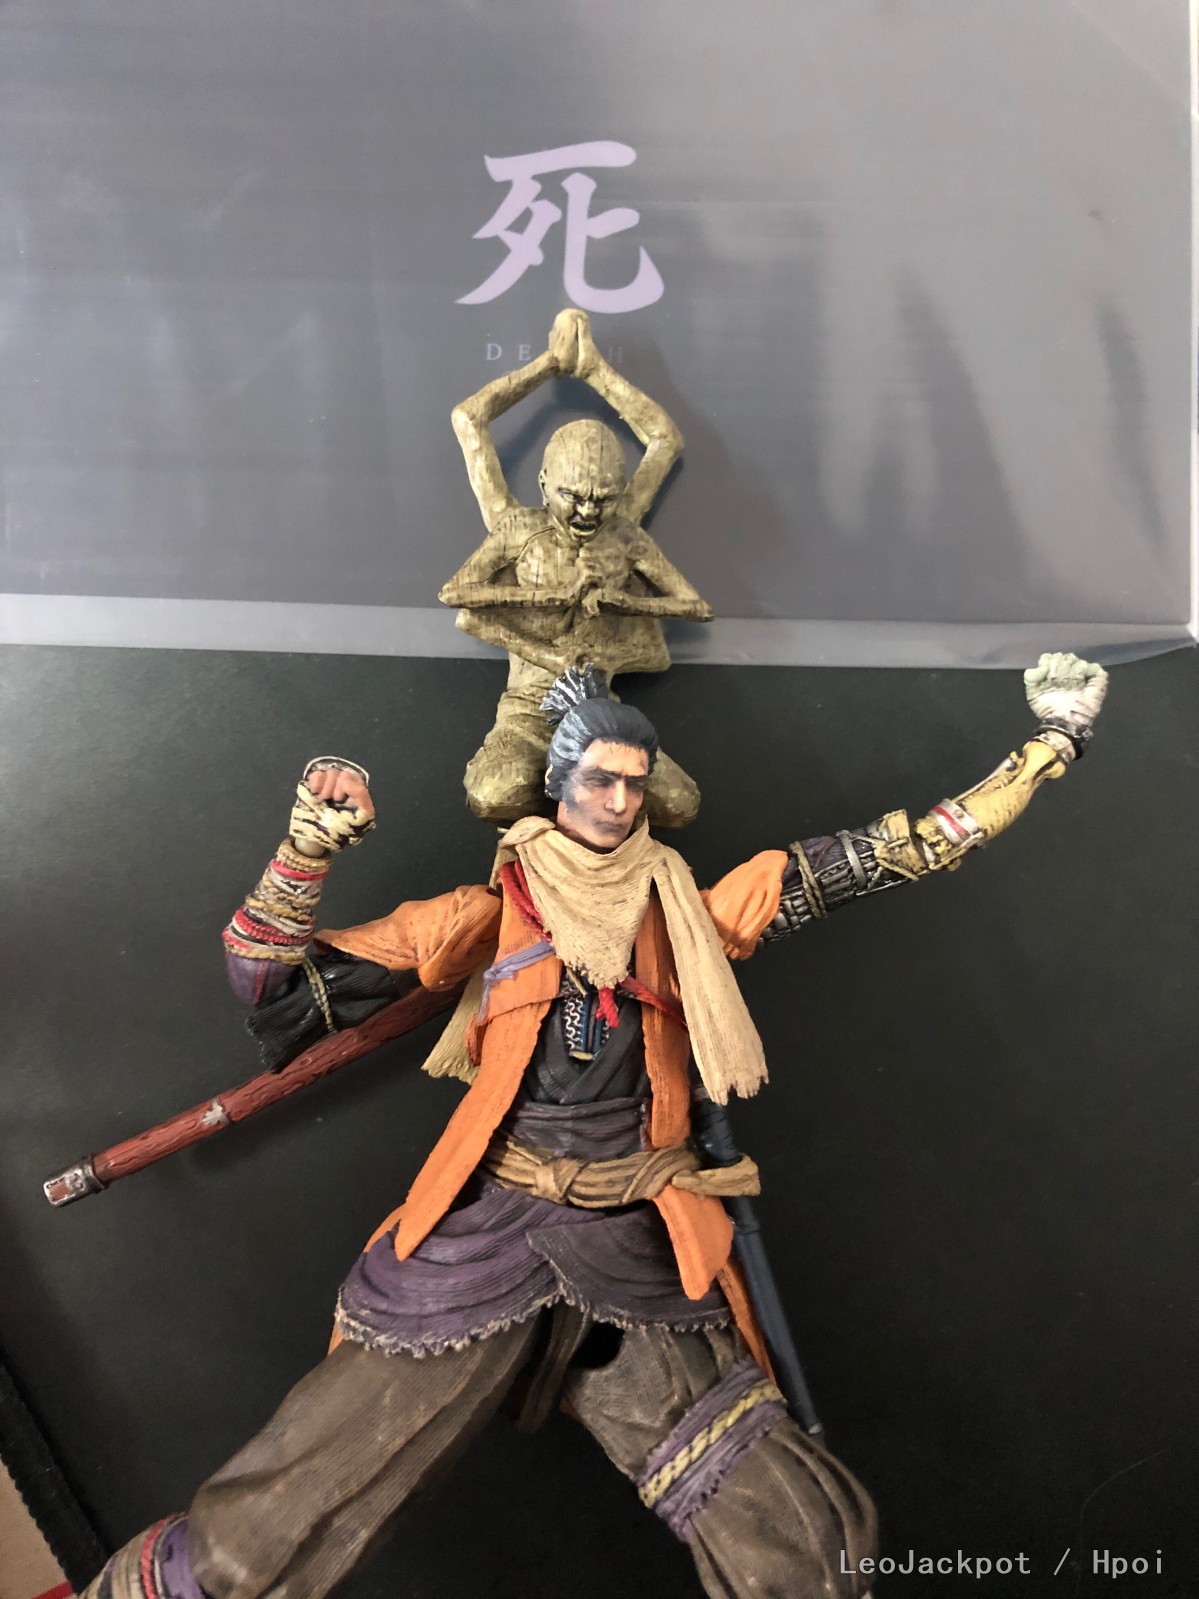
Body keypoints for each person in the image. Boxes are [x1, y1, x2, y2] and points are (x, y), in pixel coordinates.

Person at [83, 652, 1107, 1599]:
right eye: (598, 780)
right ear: (559, 782)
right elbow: (270, 981)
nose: (617, 802)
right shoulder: (484, 915)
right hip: (488, 1236)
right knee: (274, 1520)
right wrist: (308, 843)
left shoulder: (688, 915)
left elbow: (899, 851)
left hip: (636, 1243)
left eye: (633, 783)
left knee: (794, 1530)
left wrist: (1051, 743)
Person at [440, 307, 712, 827]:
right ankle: (556, 839)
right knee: (493, 796)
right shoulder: (514, 525)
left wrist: (595, 371)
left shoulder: (623, 529)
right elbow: (469, 419)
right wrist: (550, 364)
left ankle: (594, 837)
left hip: (599, 716)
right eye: (573, 496)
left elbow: (664, 440)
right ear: (545, 485)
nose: (588, 512)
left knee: (679, 805)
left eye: (603, 499)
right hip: (528, 711)